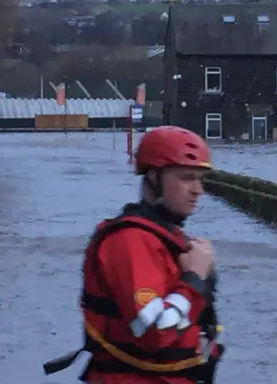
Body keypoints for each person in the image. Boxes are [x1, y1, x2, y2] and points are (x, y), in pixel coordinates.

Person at [43, 126, 225, 383]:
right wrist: (194, 278)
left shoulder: (165, 237)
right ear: (153, 178)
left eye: (200, 179)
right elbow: (152, 331)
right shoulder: (129, 241)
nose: (198, 190)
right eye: (186, 178)